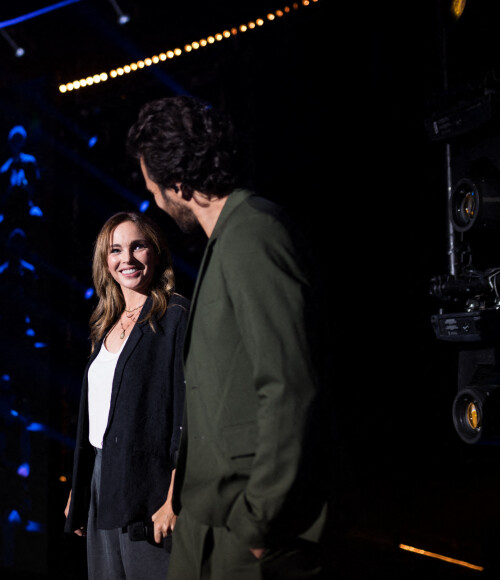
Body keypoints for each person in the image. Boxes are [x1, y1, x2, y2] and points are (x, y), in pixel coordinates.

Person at [127, 96, 329, 579]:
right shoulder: (232, 239)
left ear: (179, 182)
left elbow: (290, 386)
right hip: (209, 524)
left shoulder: (255, 233)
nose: (154, 201)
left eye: (154, 187)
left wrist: (260, 522)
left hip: (248, 531)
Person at [64, 211, 190, 579]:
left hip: (149, 485)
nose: (127, 259)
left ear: (157, 253)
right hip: (103, 481)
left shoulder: (175, 316)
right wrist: (82, 484)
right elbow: (97, 416)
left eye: (138, 246)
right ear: (105, 260)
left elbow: (187, 415)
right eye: (116, 250)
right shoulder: (106, 324)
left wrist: (174, 498)